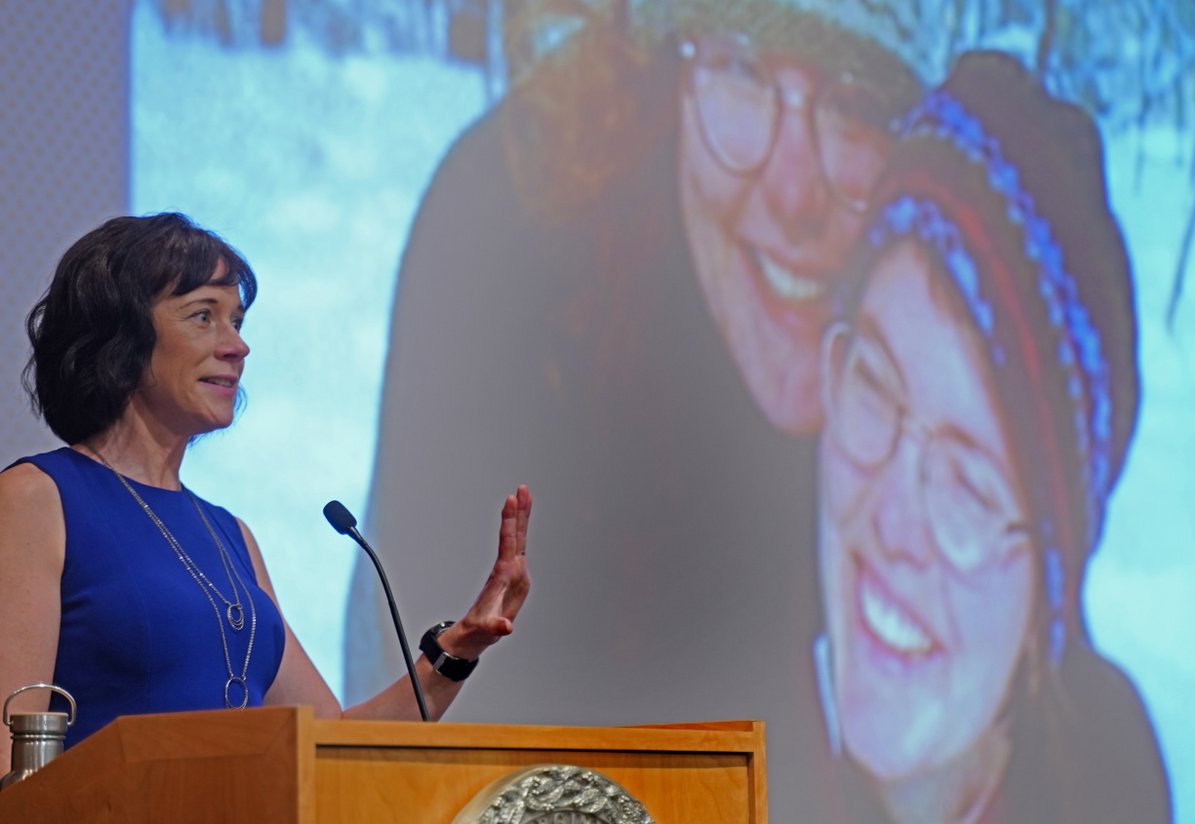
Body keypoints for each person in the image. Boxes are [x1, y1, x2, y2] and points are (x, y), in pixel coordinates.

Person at [344, 5, 922, 817]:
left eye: (856, 102)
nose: (796, 193)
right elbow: (427, 685)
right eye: (745, 72)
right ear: (674, 70)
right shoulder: (507, 214)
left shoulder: (918, 278)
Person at [0, 212, 532, 774]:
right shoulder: (38, 500)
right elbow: (11, 760)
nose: (238, 346)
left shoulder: (231, 536)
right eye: (204, 316)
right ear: (119, 336)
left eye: (237, 321)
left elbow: (333, 747)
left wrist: (457, 650)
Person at [809, 51, 1170, 821]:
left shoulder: (1113, 781)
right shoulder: (685, 717)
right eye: (874, 385)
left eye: (974, 485)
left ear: (1049, 588)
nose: (893, 524)